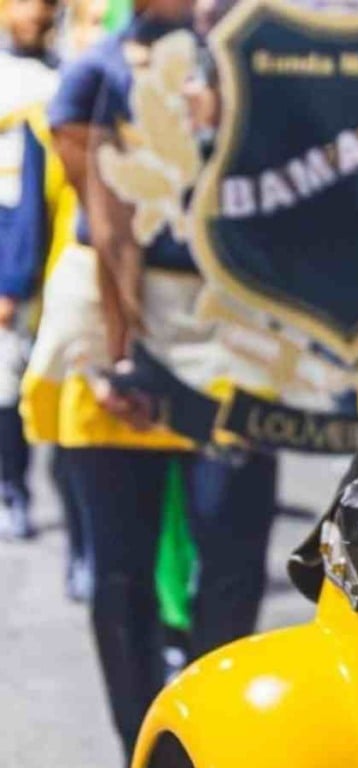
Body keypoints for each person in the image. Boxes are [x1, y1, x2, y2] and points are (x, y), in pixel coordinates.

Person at [43, 0, 278, 756]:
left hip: (231, 345)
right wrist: (119, 357)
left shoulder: (268, 73)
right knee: (121, 574)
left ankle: (200, 738)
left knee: (235, 561)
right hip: (122, 334)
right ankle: (139, 743)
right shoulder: (94, 72)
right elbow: (102, 222)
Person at [0, 0, 60, 540]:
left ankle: (13, 487)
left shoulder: (51, 83)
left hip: (30, 261)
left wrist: (13, 279)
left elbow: (27, 201)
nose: (33, 14)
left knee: (13, 387)